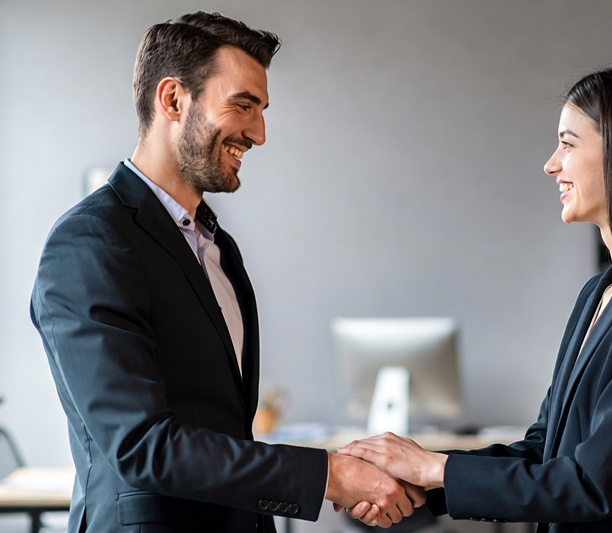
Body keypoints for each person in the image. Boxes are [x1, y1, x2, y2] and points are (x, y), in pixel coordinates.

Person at [30, 11, 423, 533]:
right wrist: (329, 475)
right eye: (243, 105)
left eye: (261, 110)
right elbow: (142, 447)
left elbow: (222, 428)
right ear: (172, 100)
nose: (258, 133)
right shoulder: (91, 242)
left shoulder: (218, 246)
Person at [339, 63, 612, 533]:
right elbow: (544, 448)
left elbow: (593, 483)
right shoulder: (598, 293)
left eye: (568, 144)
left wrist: (433, 468)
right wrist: (417, 486)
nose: (551, 163)